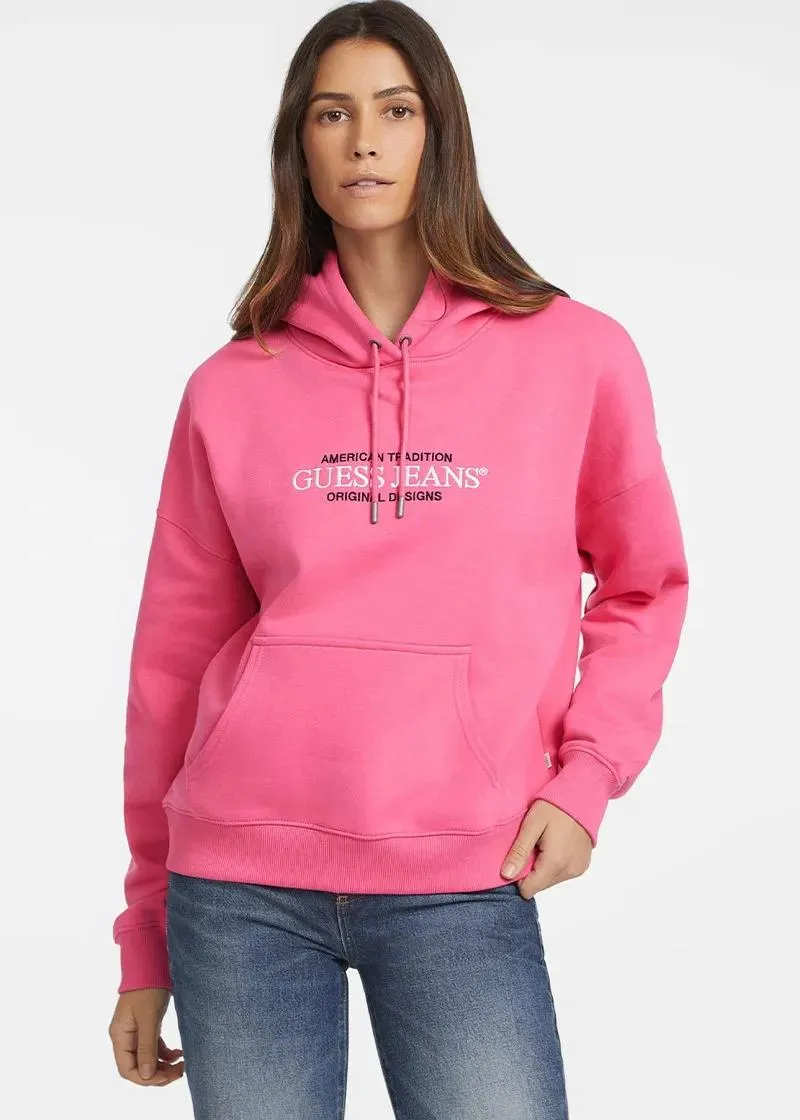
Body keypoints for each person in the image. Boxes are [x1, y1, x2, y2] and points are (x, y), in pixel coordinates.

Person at [107, 2, 690, 1116]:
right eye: (332, 114)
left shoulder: (576, 355)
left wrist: (585, 780)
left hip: (463, 871)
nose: (364, 141)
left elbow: (642, 586)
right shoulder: (231, 387)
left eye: (395, 110)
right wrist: (145, 932)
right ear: (300, 144)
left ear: (439, 134)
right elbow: (169, 667)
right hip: (236, 885)